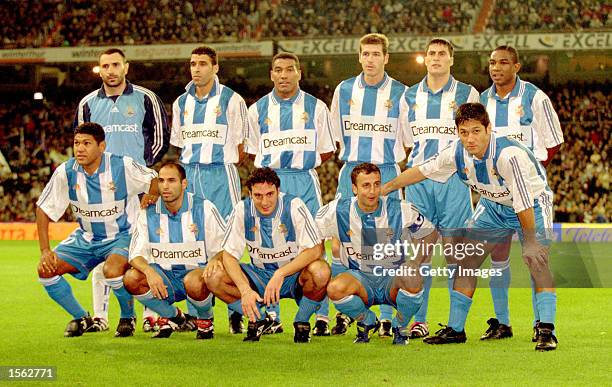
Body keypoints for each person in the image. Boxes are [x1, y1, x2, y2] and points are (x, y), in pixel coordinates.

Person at [383, 103, 558, 351]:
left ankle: (547, 331)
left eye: (476, 131)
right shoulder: (456, 152)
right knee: (466, 259)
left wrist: (530, 242)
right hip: (494, 205)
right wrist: (387, 188)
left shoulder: (508, 156)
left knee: (537, 260)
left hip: (533, 204)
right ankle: (455, 329)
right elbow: (421, 171)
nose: (470, 138)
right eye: (464, 132)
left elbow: (523, 201)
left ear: (489, 128)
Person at [74, 48, 171, 333]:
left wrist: (142, 169)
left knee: (146, 249)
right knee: (102, 249)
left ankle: (150, 315)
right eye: (105, 65)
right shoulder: (88, 103)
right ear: (99, 69)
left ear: (126, 67)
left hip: (139, 187)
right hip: (101, 190)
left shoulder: (145, 97)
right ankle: (101, 316)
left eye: (116, 64)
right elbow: (83, 142)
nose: (111, 70)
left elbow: (160, 138)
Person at [36, 122, 158, 337]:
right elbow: (43, 209)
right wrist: (45, 250)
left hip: (121, 235)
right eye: (76, 143)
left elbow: (154, 179)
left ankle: (127, 316)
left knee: (111, 270)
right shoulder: (66, 171)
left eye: (86, 143)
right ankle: (83, 318)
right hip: (86, 238)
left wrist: (151, 196)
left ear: (102, 146)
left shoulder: (122, 165)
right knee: (45, 270)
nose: (80, 149)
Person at [245, 52, 335, 334]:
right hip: (271, 183)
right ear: (271, 74)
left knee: (314, 244)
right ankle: (271, 315)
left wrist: (301, 165)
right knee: (266, 244)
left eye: (289, 70)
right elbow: (251, 151)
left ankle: (320, 314)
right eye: (278, 70)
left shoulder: (316, 107)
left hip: (303, 181)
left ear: (299, 73)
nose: (283, 75)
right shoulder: (257, 109)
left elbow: (328, 149)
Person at [480, 45, 564, 340]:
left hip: (529, 193)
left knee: (536, 257)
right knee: (497, 255)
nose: (496, 68)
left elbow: (553, 143)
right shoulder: (481, 101)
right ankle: (502, 323)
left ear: (516, 66)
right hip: (494, 196)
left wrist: (527, 174)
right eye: (492, 63)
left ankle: (545, 327)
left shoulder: (535, 98)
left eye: (503, 62)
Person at [327, 33, 407, 337]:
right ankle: (347, 312)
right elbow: (336, 133)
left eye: (376, 54)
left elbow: (407, 140)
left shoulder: (401, 93)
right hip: (351, 172)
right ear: (359, 57)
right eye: (366, 54)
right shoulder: (344, 90)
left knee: (385, 244)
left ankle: (386, 315)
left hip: (385, 173)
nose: (370, 59)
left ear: (386, 58)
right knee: (340, 243)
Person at [400, 38, 480, 339]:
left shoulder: (467, 93)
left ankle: (454, 325)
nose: (435, 58)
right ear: (425, 59)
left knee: (455, 254)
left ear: (451, 59)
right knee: (419, 253)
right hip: (419, 182)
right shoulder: (410, 95)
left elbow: (474, 137)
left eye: (441, 54)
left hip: (454, 182)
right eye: (430, 53)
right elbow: (409, 141)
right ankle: (419, 320)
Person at [170, 45, 249, 334]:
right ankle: (199, 312)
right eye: (192, 63)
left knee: (227, 242)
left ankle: (234, 309)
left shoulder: (231, 99)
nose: (196, 68)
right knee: (194, 241)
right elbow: (180, 143)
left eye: (203, 63)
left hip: (220, 174)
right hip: (190, 174)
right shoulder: (180, 103)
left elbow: (241, 146)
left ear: (215, 68)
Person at [205, 168, 330, 343]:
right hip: (259, 276)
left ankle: (301, 322)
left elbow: (316, 249)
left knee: (321, 271)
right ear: (250, 194)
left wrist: (281, 273)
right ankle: (262, 318)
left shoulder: (294, 205)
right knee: (213, 277)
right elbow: (229, 255)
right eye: (258, 195)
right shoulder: (242, 209)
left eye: (270, 194)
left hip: (292, 275)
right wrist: (244, 289)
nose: (265, 201)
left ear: (278, 191)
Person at [316, 163, 436, 344]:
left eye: (376, 184)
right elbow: (311, 236)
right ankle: (368, 321)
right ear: (354, 188)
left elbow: (429, 233)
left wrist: (415, 262)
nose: (372, 191)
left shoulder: (400, 208)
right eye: (365, 185)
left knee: (412, 276)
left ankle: (400, 326)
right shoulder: (336, 210)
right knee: (335, 288)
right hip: (360, 279)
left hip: (393, 278)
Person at [123, 161, 226, 339]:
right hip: (165, 279)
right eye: (161, 181)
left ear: (184, 184)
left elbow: (226, 246)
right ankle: (176, 317)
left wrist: (215, 261)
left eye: (171, 180)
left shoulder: (204, 208)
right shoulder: (147, 212)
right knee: (131, 278)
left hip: (197, 278)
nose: (165, 186)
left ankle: (205, 320)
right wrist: (148, 271)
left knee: (193, 281)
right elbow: (134, 255)